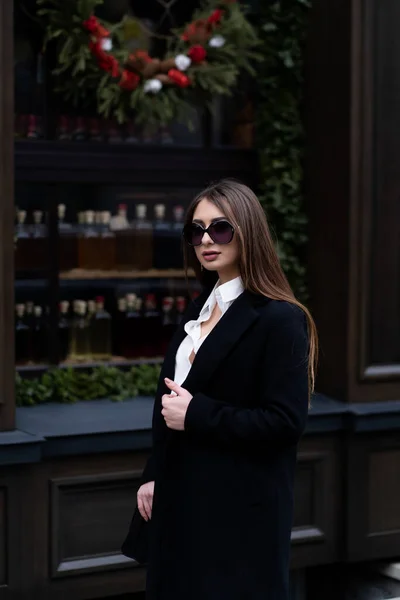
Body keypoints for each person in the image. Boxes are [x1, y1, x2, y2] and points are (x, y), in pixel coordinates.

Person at [122, 179, 318, 600]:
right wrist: (153, 473)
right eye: (196, 230)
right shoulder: (199, 310)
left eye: (220, 228)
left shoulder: (279, 319)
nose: (206, 239)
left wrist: (198, 415)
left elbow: (285, 422)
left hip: (237, 517)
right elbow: (171, 402)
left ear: (248, 231)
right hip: (180, 507)